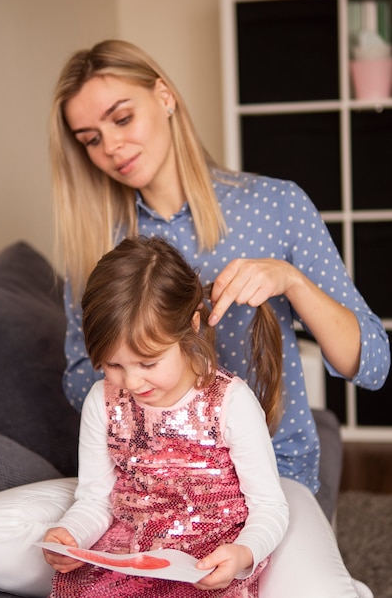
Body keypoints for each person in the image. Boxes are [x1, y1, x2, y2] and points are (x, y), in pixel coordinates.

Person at [0, 39, 389, 598]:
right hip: (139, 489)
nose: (111, 146)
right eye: (91, 138)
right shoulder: (98, 242)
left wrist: (292, 281)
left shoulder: (276, 205)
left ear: (164, 96)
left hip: (268, 485)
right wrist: (155, 382)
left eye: (121, 117)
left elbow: (372, 365)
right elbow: (78, 378)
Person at [42, 235, 289, 598]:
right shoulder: (103, 401)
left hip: (209, 562)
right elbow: (95, 499)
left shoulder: (229, 402)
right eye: (113, 365)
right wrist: (71, 534)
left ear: (191, 326)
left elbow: (270, 506)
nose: (132, 381)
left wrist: (243, 553)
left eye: (148, 362)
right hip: (132, 555)